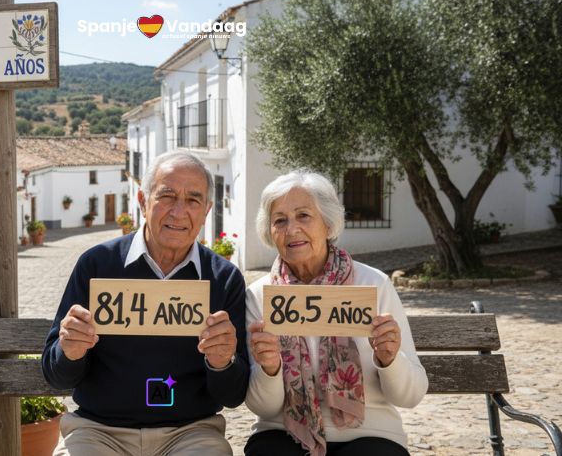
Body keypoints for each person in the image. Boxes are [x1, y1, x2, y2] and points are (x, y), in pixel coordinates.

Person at [42, 149, 249, 456]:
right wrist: (70, 351)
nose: (179, 212)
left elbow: (232, 395)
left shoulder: (224, 279)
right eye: (167, 196)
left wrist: (222, 363)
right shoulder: (97, 265)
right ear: (142, 201)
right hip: (99, 432)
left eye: (193, 200)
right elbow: (55, 375)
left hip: (190, 434)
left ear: (206, 210)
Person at [244, 170, 427, 456]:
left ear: (328, 224)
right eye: (280, 220)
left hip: (371, 433)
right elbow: (262, 407)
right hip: (282, 431)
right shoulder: (260, 296)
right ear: (270, 232)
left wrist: (390, 360)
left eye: (303, 215)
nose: (291, 229)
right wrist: (269, 368)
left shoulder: (373, 284)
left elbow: (411, 395)